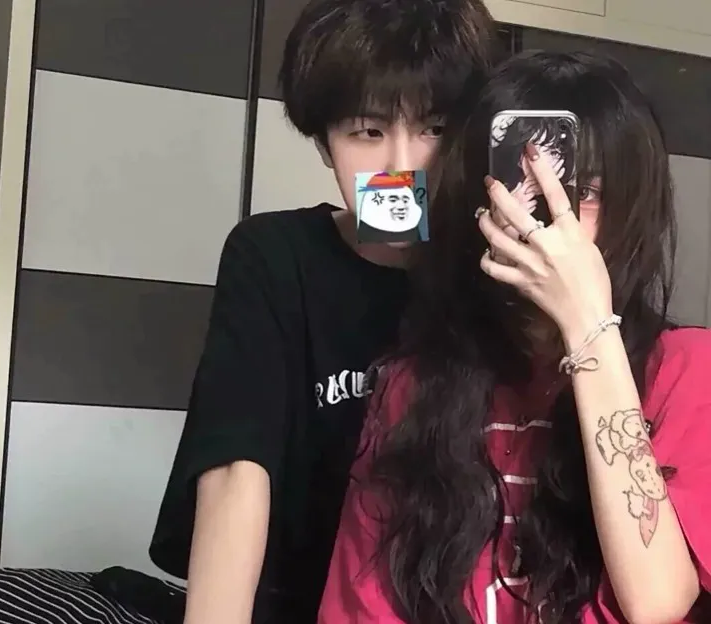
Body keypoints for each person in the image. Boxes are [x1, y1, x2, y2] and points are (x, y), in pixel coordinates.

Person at [318, 50, 711, 623]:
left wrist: (588, 326)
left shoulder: (687, 368)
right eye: (515, 185)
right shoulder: (411, 386)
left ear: (629, 209)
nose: (539, 218)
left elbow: (657, 602)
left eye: (583, 191)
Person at [148, 1, 499, 623]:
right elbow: (236, 467)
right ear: (322, 142)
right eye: (367, 132)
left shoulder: (499, 274)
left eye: (435, 128)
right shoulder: (274, 255)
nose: (402, 166)